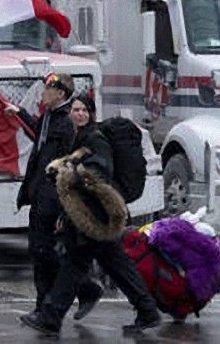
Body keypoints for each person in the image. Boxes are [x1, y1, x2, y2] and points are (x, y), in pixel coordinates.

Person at [20, 94, 161, 336]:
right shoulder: (77, 138)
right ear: (70, 113)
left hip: (95, 214)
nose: (80, 114)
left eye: (85, 110)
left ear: (91, 113)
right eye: (76, 110)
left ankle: (51, 318)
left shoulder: (96, 140)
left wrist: (69, 175)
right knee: (116, 264)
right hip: (89, 213)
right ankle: (148, 311)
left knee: (75, 263)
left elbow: (99, 173)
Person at [5, 74, 103, 321]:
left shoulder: (66, 124)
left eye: (48, 89)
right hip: (40, 196)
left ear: (60, 93)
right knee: (39, 251)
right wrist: (19, 113)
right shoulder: (50, 117)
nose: (43, 93)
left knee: (45, 251)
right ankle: (46, 304)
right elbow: (38, 135)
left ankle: (78, 291)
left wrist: (64, 208)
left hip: (53, 199)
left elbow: (68, 167)